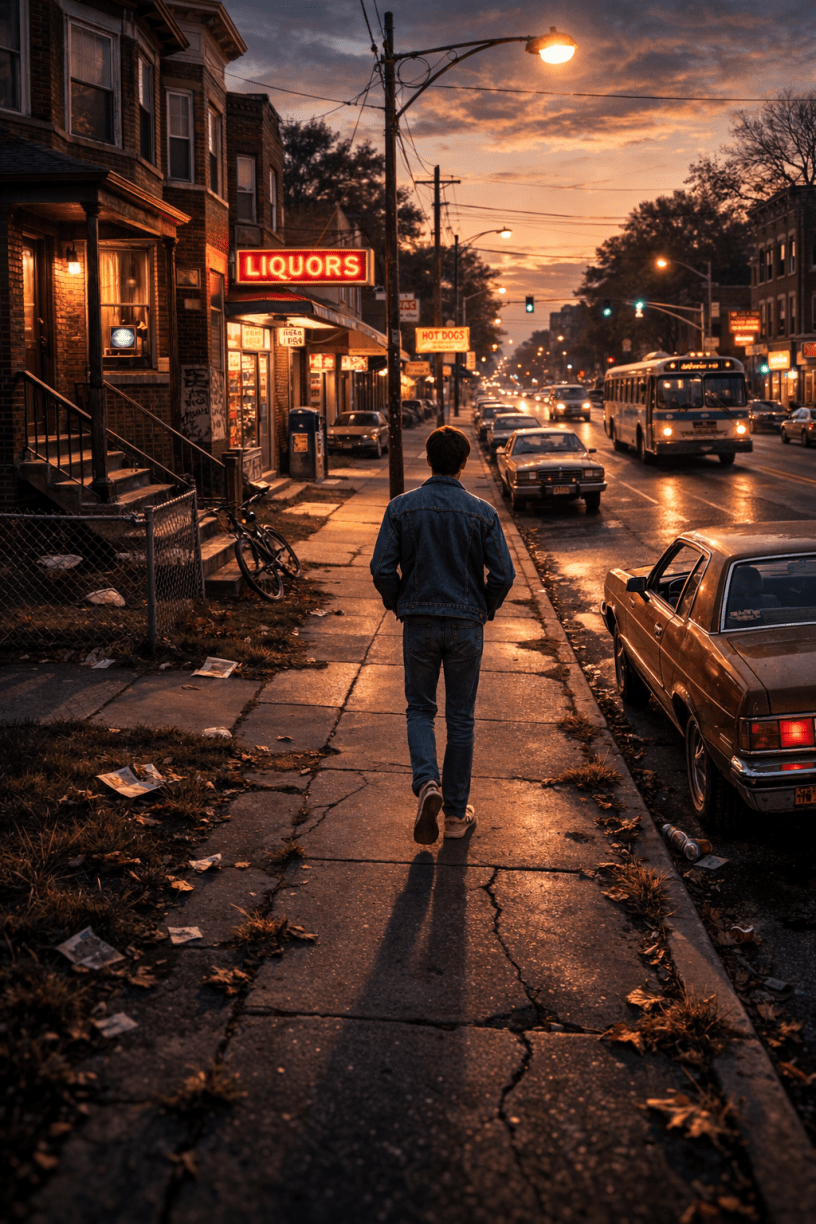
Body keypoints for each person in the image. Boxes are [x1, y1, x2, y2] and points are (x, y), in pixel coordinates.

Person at [370, 426, 515, 845]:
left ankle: (426, 783)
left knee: (419, 709)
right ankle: (454, 816)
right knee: (461, 718)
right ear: (464, 463)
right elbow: (503, 574)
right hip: (466, 626)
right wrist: (484, 606)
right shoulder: (482, 512)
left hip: (419, 624)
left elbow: (382, 568)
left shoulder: (401, 508)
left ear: (428, 460)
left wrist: (400, 602)